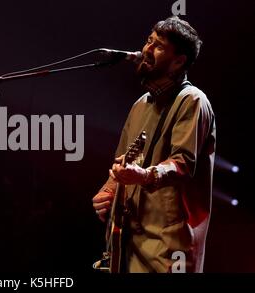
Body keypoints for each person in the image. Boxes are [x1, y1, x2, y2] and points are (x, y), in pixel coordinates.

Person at [92, 16, 216, 273]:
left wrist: (144, 174)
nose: (146, 50)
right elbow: (121, 162)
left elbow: (182, 165)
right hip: (130, 241)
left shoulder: (193, 101)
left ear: (179, 61)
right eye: (149, 41)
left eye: (158, 46)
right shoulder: (139, 105)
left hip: (168, 246)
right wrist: (109, 190)